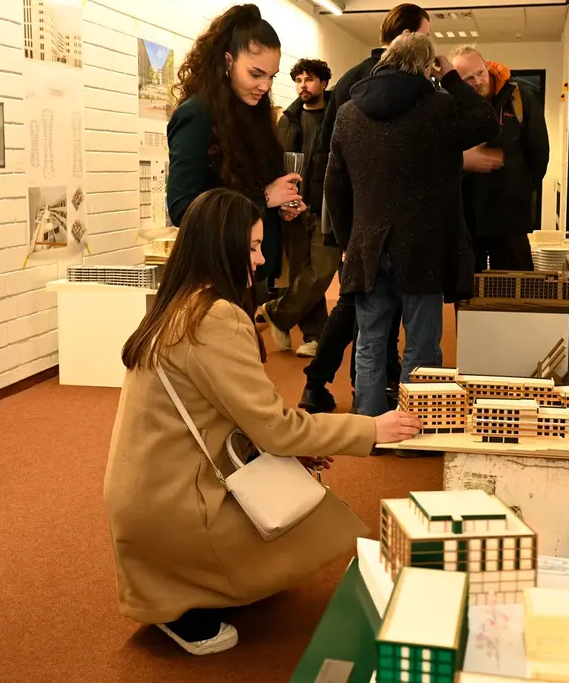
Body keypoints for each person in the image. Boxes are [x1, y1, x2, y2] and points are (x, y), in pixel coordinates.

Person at [103, 189, 421, 655]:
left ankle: (177, 591)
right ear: (222, 249)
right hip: (175, 507)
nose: (261, 258)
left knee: (293, 493)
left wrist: (292, 446)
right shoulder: (214, 318)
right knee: (304, 519)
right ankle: (187, 600)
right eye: (251, 247)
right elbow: (276, 427)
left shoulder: (174, 309)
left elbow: (238, 418)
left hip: (146, 499)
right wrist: (373, 429)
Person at [325, 32, 499, 421]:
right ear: (426, 68)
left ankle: (370, 425)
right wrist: (452, 77)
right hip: (424, 249)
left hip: (369, 246)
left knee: (369, 340)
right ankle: (413, 428)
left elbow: (334, 187)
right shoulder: (439, 107)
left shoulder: (349, 113)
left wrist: (346, 240)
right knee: (421, 346)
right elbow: (488, 122)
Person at [297, 3, 432, 415]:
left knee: (368, 312)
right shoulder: (409, 86)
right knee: (359, 309)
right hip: (370, 219)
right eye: (426, 33)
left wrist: (340, 230)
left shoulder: (353, 80)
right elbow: (334, 154)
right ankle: (324, 382)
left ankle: (361, 393)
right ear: (410, 36)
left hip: (356, 219)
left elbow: (328, 155)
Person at [165, 3, 304, 313]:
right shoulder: (197, 114)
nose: (265, 86)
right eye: (256, 74)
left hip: (247, 278)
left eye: (271, 76)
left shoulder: (252, 115)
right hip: (213, 280)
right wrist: (264, 198)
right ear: (227, 61)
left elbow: (244, 190)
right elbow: (182, 209)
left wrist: (278, 208)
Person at [263, 58, 340, 357]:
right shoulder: (288, 120)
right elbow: (274, 162)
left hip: (326, 208)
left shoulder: (337, 117)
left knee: (321, 271)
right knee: (300, 273)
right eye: (298, 80)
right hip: (292, 208)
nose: (303, 86)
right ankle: (315, 335)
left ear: (323, 83)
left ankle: (278, 312)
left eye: (309, 80)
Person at [452, 47, 551, 271]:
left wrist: (521, 190)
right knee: (467, 293)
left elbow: (539, 154)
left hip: (510, 216)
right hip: (467, 218)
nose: (477, 81)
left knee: (516, 290)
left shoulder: (520, 97)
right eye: (467, 78)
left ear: (487, 67)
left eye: (479, 73)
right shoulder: (451, 106)